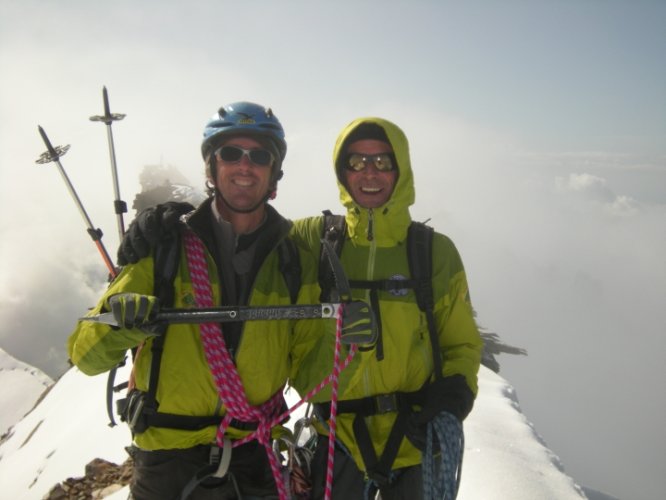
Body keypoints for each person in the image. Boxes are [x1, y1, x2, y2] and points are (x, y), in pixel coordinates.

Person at [117, 116, 483, 499]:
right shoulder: (316, 239)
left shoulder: (433, 253)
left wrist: (453, 396)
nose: (369, 173)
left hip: (416, 436)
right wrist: (166, 219)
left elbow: (462, 343)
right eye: (356, 162)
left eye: (383, 162)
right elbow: (247, 226)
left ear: (401, 169)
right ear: (342, 172)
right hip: (337, 439)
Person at [69, 102, 334, 500]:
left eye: (259, 156)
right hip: (167, 459)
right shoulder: (164, 248)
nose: (245, 166)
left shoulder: (291, 258)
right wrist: (121, 322)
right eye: (230, 153)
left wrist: (355, 409)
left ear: (274, 176)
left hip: (253, 455)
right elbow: (85, 355)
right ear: (211, 169)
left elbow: (313, 361)